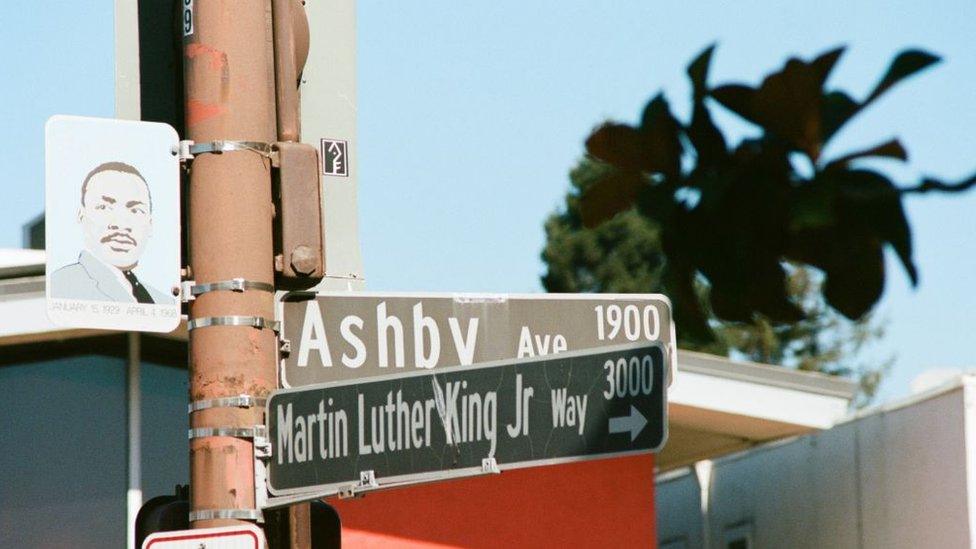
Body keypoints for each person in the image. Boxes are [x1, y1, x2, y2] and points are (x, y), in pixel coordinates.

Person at [51, 161, 172, 304]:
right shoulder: (61, 287)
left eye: (135, 210)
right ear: (81, 216)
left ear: (150, 224)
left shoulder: (164, 303)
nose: (121, 224)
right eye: (104, 207)